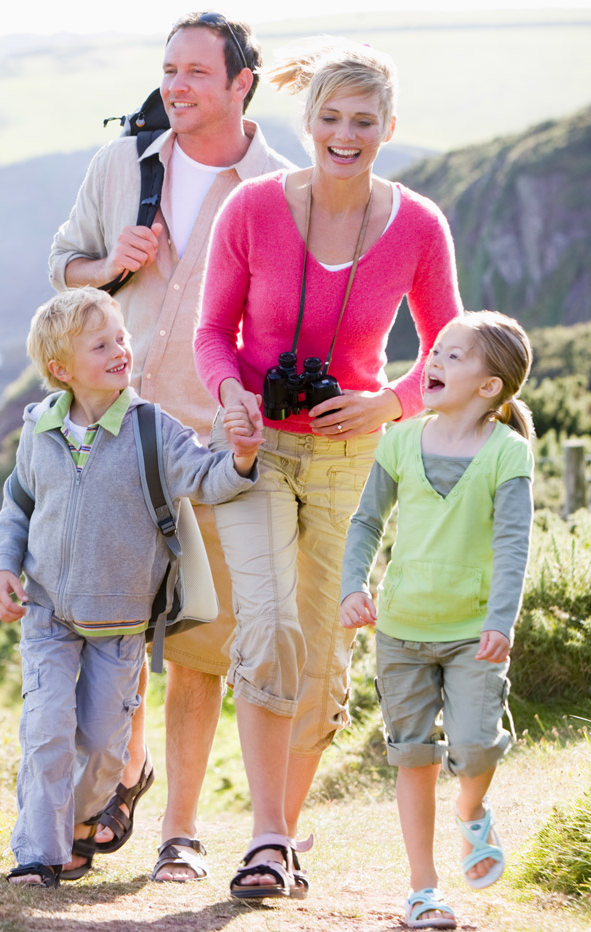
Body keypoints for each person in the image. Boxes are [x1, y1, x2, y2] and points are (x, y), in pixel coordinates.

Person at [192, 37, 462, 899]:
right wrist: (232, 395)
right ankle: (268, 838)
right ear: (306, 121)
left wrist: (387, 402)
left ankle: (283, 833)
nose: (345, 135)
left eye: (364, 121)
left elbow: (450, 353)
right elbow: (212, 337)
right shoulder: (253, 210)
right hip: (258, 448)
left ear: (388, 127)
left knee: (320, 649)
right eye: (331, 118)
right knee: (267, 625)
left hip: (356, 457)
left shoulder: (419, 224)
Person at [47, 11, 293, 882]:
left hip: (210, 444)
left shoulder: (279, 190)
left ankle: (178, 836)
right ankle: (122, 775)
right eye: (168, 70)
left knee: (196, 645)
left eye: (196, 71)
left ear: (241, 83)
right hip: (111, 437)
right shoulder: (122, 165)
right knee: (110, 630)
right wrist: (108, 261)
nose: (176, 86)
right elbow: (63, 268)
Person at [0, 286, 261, 886]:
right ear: (61, 369)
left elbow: (204, 475)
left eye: (121, 338)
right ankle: (37, 852)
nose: (121, 349)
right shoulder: (40, 429)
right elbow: (17, 507)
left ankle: (82, 826)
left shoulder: (151, 429)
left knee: (106, 749)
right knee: (46, 730)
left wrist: (239, 459)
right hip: (49, 615)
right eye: (101, 343)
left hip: (120, 626)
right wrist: (3, 567)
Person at [340, 311, 534, 929]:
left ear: (489, 387)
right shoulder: (399, 439)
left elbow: (513, 544)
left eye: (455, 356)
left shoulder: (508, 453)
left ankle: (472, 811)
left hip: (475, 632)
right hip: (400, 629)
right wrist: (354, 584)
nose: (436, 363)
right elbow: (367, 519)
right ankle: (423, 889)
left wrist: (502, 619)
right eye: (436, 353)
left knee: (475, 748)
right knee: (413, 758)